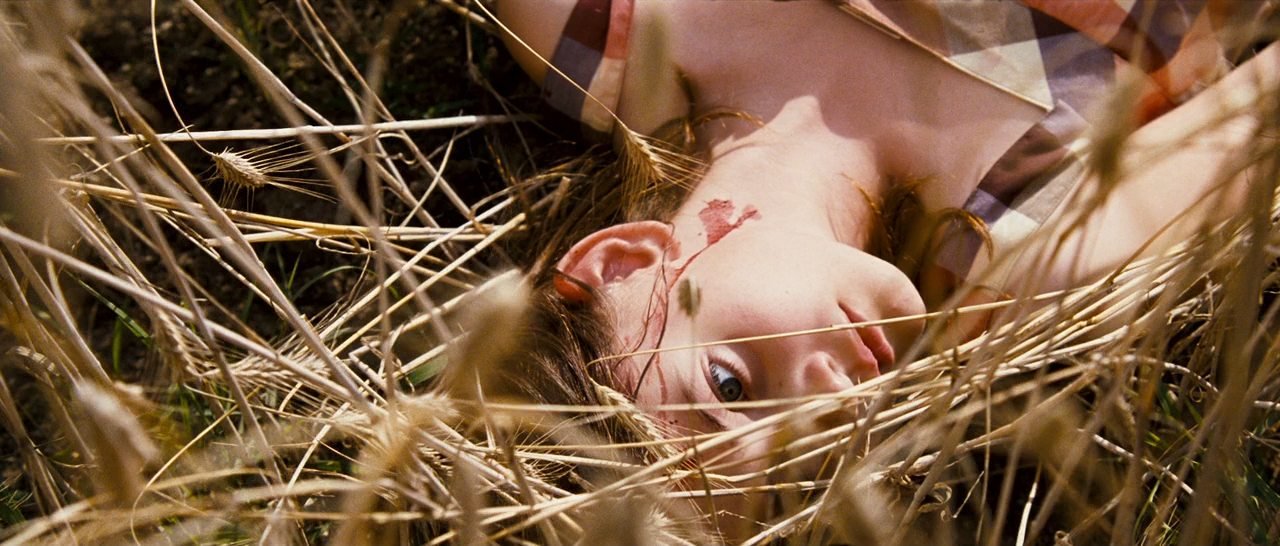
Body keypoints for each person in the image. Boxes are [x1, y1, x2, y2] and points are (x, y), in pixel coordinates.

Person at [483, 0, 1277, 501]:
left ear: (618, 262)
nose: (834, 408)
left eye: (731, 385)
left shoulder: (587, 23)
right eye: (802, 471)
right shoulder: (1045, 244)